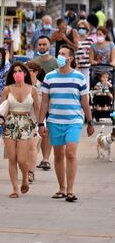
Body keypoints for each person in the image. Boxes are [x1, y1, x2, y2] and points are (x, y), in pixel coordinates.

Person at [38, 45, 95, 202]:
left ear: (70, 58)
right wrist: (40, 123)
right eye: (58, 54)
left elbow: (85, 101)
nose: (59, 57)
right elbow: (44, 103)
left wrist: (90, 122)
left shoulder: (79, 78)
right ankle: (61, 188)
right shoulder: (49, 77)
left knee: (70, 153)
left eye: (63, 54)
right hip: (54, 121)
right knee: (58, 155)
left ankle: (70, 190)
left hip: (74, 121)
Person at [0, 62, 39, 198]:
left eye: (20, 71)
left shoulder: (32, 89)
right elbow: (2, 108)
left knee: (22, 159)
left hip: (26, 124)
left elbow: (37, 109)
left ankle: (25, 178)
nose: (17, 74)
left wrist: (41, 124)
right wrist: (0, 119)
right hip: (9, 123)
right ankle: (15, 188)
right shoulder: (7, 89)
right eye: (14, 72)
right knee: (12, 159)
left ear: (25, 73)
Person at [33, 36, 56, 171]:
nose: (42, 46)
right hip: (38, 100)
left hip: (53, 100)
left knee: (49, 129)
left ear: (49, 45)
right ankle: (42, 158)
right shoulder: (33, 62)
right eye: (40, 44)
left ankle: (46, 159)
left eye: (44, 44)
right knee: (41, 129)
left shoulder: (56, 63)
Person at [25, 61, 46, 183]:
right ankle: (24, 169)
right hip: (21, 121)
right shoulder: (20, 85)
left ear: (36, 72)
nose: (25, 72)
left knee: (32, 146)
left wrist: (41, 123)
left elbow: (44, 106)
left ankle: (31, 172)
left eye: (29, 70)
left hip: (37, 120)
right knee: (22, 150)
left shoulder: (42, 87)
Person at [75, 20, 94, 86]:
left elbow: (93, 53)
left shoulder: (90, 40)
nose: (81, 29)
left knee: (86, 85)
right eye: (79, 28)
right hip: (76, 66)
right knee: (77, 84)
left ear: (87, 29)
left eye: (83, 28)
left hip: (86, 66)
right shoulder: (75, 40)